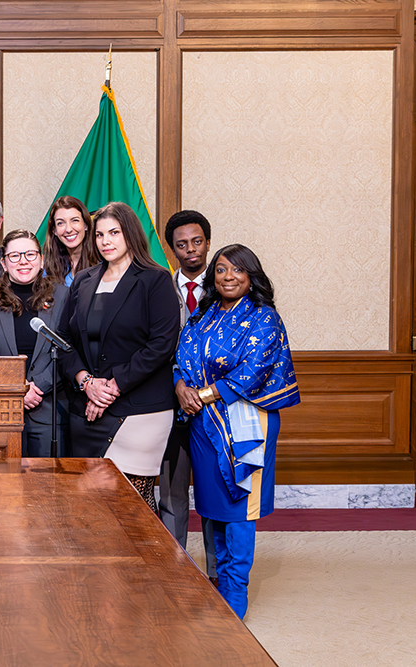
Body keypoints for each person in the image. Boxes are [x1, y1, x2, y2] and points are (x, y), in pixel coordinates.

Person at [175, 244, 300, 619]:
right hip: (203, 423)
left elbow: (253, 371)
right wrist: (181, 386)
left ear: (252, 276)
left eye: (238, 270)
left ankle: (235, 594)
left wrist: (202, 393)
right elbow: (181, 357)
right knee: (213, 508)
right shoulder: (204, 315)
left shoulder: (265, 318)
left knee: (240, 509)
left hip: (247, 422)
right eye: (221, 270)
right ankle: (219, 582)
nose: (228, 277)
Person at [58, 201, 180, 510]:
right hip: (86, 406)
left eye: (114, 232)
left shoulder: (155, 279)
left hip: (140, 410)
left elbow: (162, 344)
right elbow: (64, 341)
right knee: (90, 504)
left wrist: (111, 386)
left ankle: (146, 560)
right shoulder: (84, 281)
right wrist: (87, 384)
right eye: (99, 235)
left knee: (134, 504)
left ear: (131, 233)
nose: (106, 241)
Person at [159, 209, 218, 584]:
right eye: (182, 244)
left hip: (216, 409)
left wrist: (203, 393)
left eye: (197, 242)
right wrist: (179, 387)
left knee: (214, 496)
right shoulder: (159, 287)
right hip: (171, 403)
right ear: (172, 249)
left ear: (208, 243)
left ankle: (216, 574)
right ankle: (175, 572)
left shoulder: (228, 285)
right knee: (172, 494)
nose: (191, 250)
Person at [0, 229, 69, 456]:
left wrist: (37, 386)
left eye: (30, 254)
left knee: (48, 486)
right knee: (5, 485)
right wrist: (17, 387)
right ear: (3, 263)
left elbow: (69, 348)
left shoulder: (63, 296)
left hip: (50, 410)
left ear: (41, 260)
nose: (23, 261)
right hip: (1, 409)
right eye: (15, 256)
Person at [43, 195, 96, 287]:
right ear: (54, 230)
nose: (68, 229)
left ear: (85, 225)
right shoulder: (47, 268)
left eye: (75, 220)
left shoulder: (102, 262)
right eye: (60, 223)